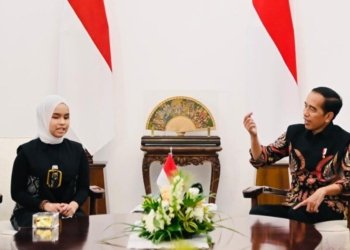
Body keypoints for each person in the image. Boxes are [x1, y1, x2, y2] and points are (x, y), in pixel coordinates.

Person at [243, 86, 350, 223]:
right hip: (294, 204)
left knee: (298, 215)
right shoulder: (294, 133)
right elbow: (262, 159)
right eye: (306, 106)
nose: (305, 113)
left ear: (328, 116)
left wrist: (323, 191)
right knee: (257, 213)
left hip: (326, 205)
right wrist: (253, 136)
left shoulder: (344, 140)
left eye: (312, 109)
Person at [10, 95, 89, 229]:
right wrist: (46, 206)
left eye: (66, 117)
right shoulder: (27, 152)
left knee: (78, 232)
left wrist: (74, 205)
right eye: (55, 116)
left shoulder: (77, 150)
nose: (62, 122)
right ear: (44, 118)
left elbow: (83, 188)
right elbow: (17, 192)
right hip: (32, 212)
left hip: (67, 213)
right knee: (49, 229)